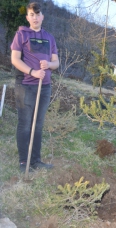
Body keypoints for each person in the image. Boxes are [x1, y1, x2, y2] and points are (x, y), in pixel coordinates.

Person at [11, 2, 59, 172]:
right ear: (27, 17)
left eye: (38, 14)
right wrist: (32, 72)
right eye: (32, 14)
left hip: (44, 87)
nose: (35, 18)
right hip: (25, 86)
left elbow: (56, 62)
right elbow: (15, 59)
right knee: (25, 124)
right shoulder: (21, 34)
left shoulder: (50, 38)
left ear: (42, 17)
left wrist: (49, 64)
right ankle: (24, 162)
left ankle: (36, 160)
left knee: (38, 125)